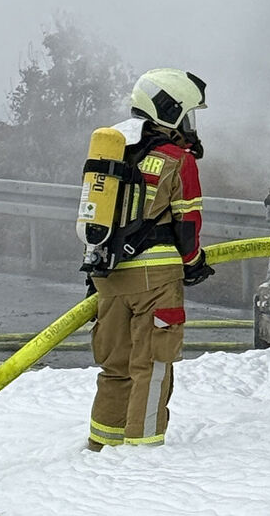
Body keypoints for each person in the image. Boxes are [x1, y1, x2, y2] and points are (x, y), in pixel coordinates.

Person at [85, 68, 215, 450]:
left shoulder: (109, 150)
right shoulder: (176, 159)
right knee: (152, 368)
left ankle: (101, 447)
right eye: (186, 114)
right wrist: (192, 263)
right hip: (156, 280)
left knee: (115, 368)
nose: (189, 125)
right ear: (168, 109)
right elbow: (187, 224)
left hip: (107, 276)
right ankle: (142, 455)